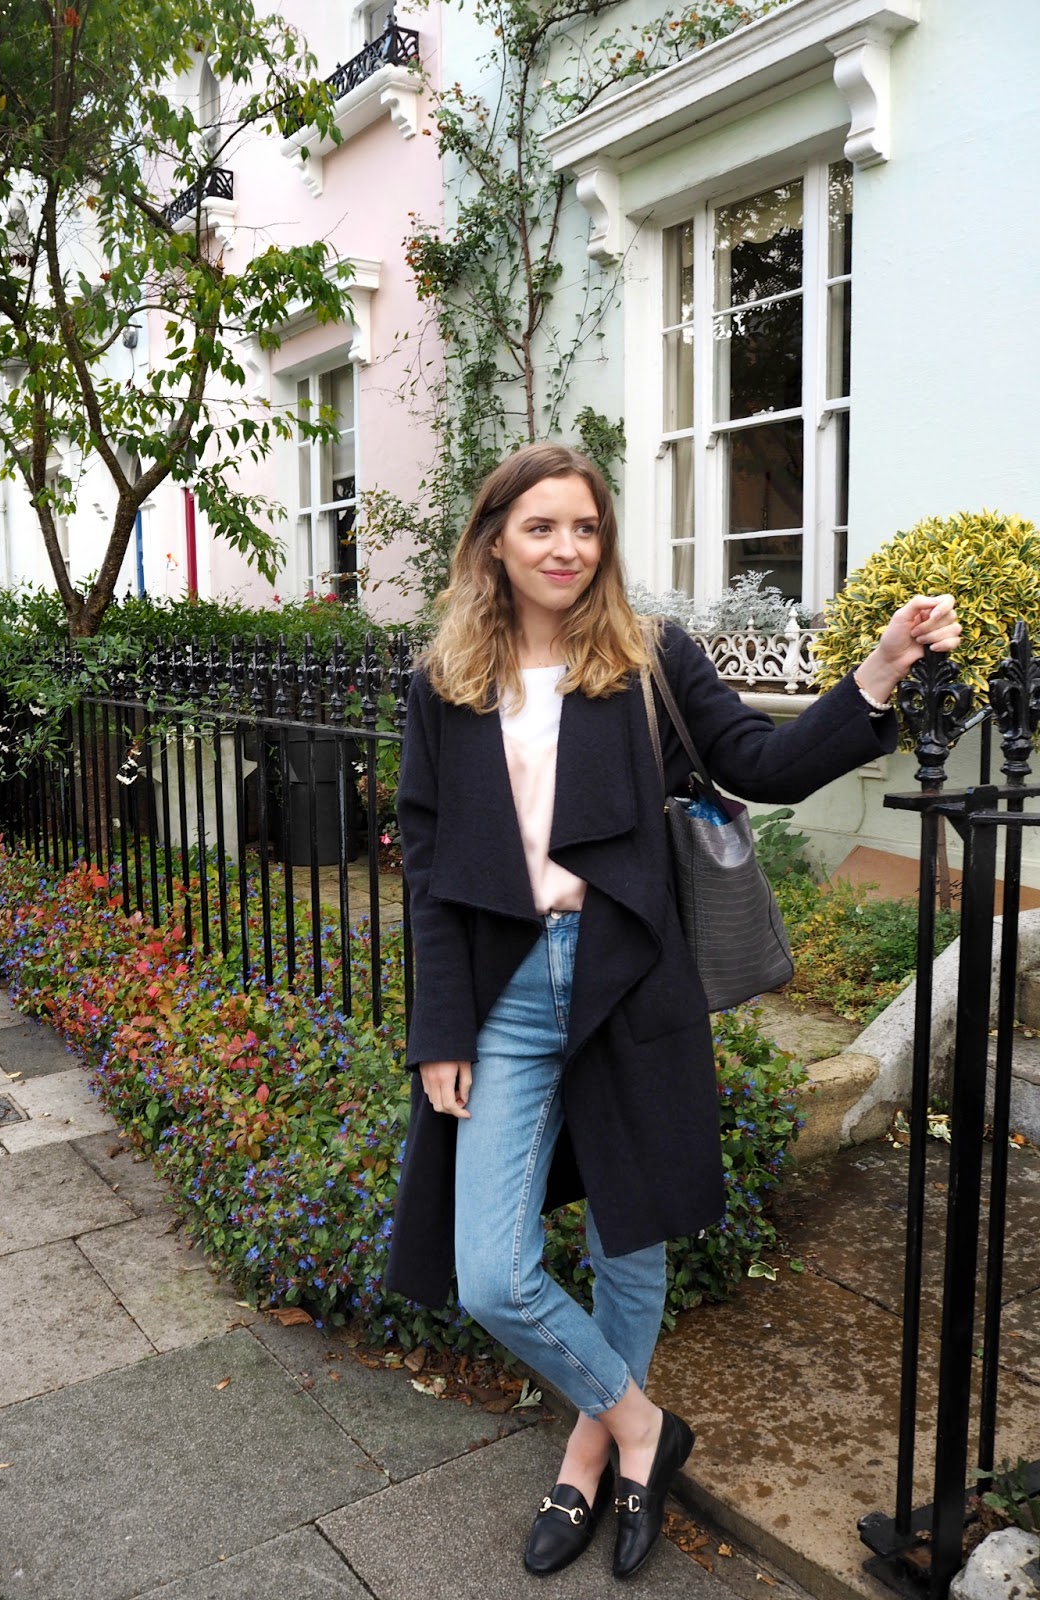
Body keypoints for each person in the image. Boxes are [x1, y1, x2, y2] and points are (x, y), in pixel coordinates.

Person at [384, 442, 960, 1582]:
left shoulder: (647, 657)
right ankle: (643, 1422)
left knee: (627, 1236)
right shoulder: (447, 679)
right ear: (493, 539)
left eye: (585, 527)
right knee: (492, 1272)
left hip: (627, 975)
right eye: (541, 526)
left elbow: (763, 762)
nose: (566, 548)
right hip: (506, 993)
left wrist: (879, 672)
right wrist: (440, 1027)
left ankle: (592, 1452)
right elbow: (430, 859)